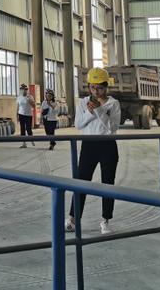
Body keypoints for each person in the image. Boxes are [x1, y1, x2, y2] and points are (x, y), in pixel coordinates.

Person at [65, 67, 121, 236]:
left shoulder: (113, 104)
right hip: (88, 145)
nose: (96, 91)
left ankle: (105, 220)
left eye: (100, 88)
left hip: (107, 145)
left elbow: (112, 128)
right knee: (81, 181)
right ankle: (73, 219)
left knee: (107, 183)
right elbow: (78, 124)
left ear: (106, 87)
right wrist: (90, 112)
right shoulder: (83, 103)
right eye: (92, 87)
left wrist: (99, 110)